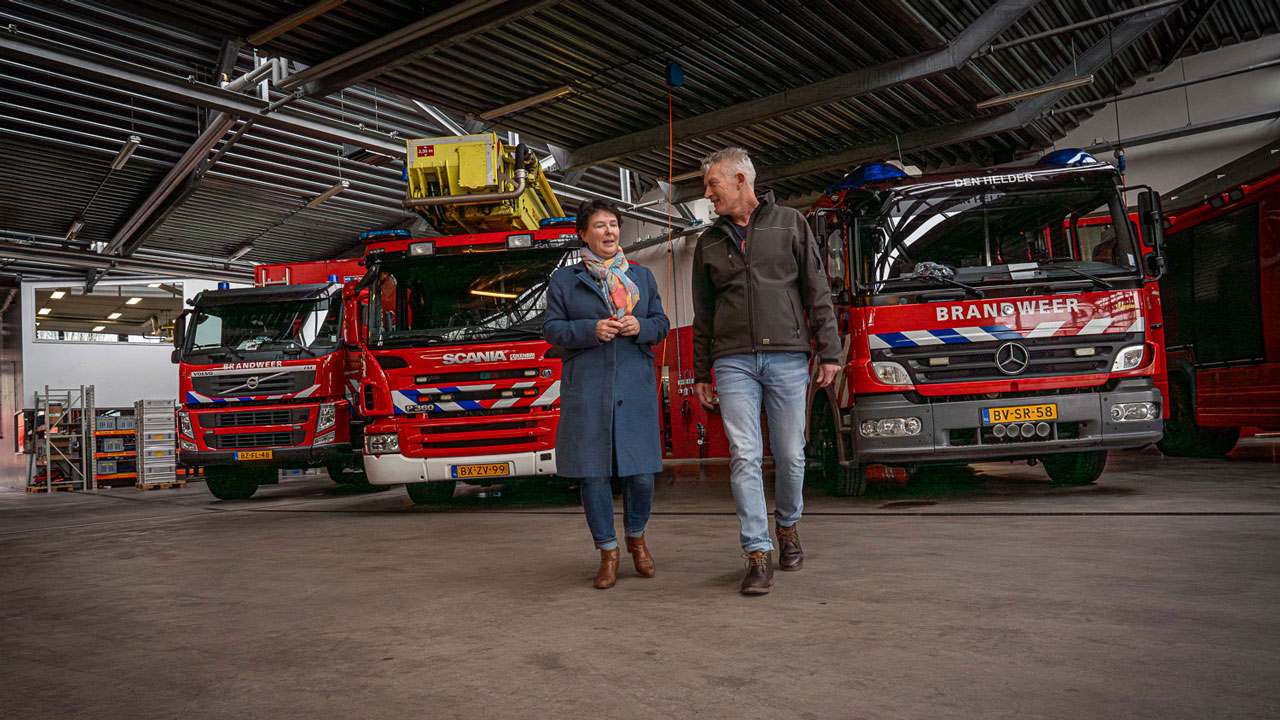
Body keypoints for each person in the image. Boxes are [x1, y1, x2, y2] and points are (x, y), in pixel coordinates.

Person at [691, 147, 842, 595]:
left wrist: (829, 352)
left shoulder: (789, 223)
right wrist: (701, 372)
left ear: (740, 180)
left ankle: (788, 526)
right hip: (732, 359)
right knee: (745, 454)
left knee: (792, 454)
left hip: (788, 356)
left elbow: (816, 289)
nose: (707, 194)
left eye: (712, 184)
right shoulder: (708, 242)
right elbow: (703, 313)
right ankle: (757, 552)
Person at [544, 199, 670, 589]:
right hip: (588, 389)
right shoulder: (564, 281)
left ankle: (637, 538)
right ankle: (608, 552)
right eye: (600, 225)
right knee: (593, 475)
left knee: (642, 474)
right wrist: (590, 330)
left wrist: (641, 327)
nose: (610, 231)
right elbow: (552, 330)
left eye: (614, 224)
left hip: (634, 387)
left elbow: (661, 323)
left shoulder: (641, 277)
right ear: (583, 234)